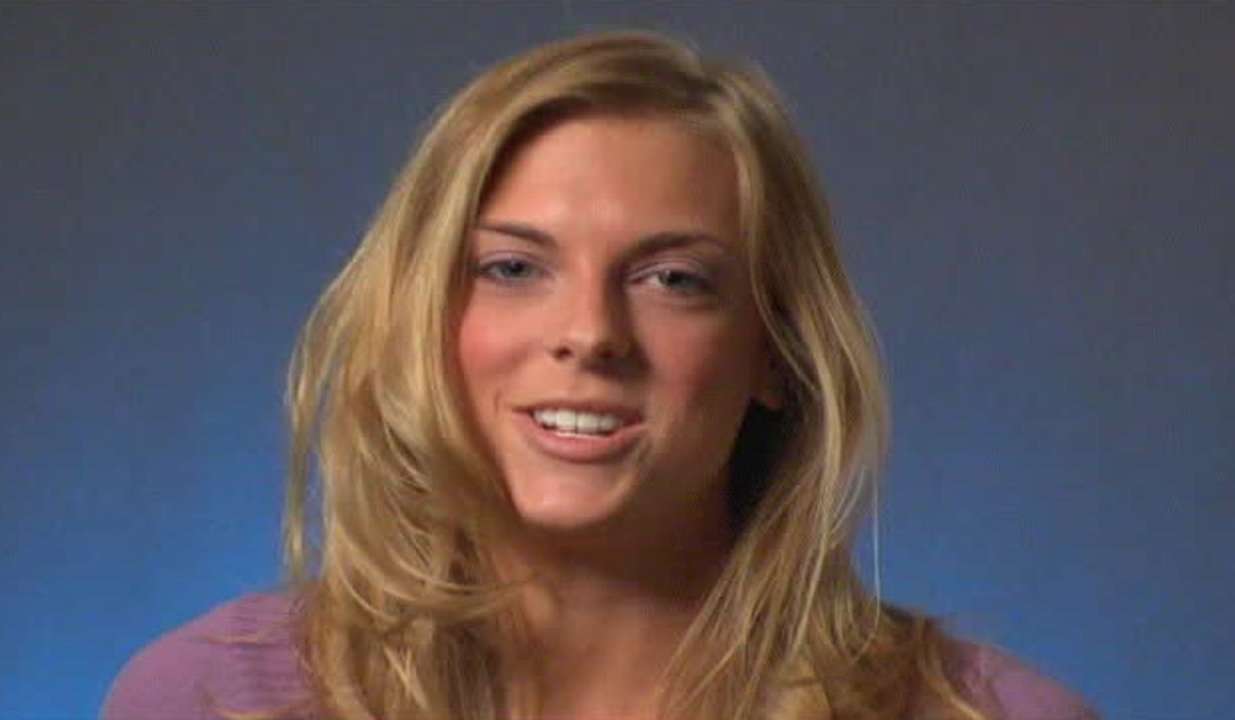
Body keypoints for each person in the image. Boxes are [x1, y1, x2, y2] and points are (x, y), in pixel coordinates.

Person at [102, 31, 1097, 720]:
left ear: (775, 352)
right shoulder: (206, 701)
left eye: (673, 280)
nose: (589, 334)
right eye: (512, 268)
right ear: (424, 321)